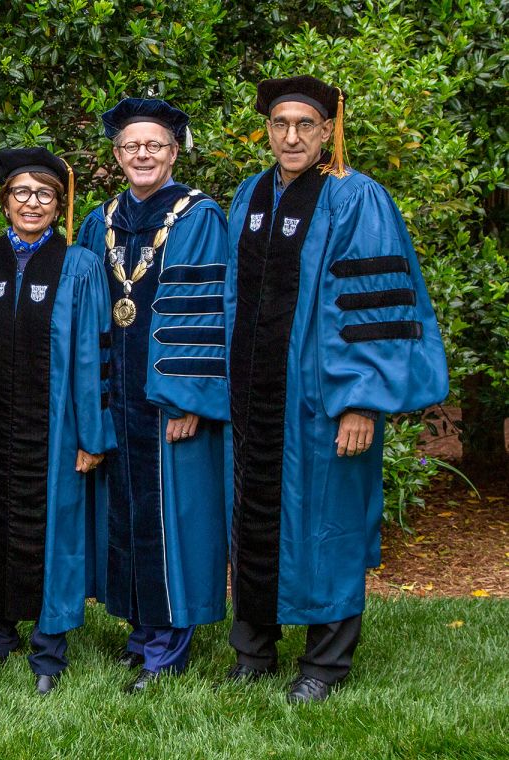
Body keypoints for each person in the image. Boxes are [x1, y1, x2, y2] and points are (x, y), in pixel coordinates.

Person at [223, 75, 448, 703]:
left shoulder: (358, 199)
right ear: (266, 130)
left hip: (325, 405)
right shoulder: (250, 196)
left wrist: (362, 401)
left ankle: (324, 664)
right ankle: (254, 652)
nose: (291, 136)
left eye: (305, 125)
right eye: (279, 124)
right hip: (253, 402)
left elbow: (373, 305)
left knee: (329, 522)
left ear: (328, 131)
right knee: (253, 521)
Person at [0, 147, 114, 695]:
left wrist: (92, 434)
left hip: (56, 429)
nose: (33, 203)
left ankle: (48, 645)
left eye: (45, 194)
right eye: (21, 193)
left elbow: (93, 354)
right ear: (4, 201)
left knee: (55, 529)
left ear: (59, 203)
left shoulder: (81, 266)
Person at [77, 98, 230, 693]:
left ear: (174, 151)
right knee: (130, 508)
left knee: (175, 514)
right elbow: (88, 312)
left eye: (155, 146)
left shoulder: (197, 216)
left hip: (169, 399)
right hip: (119, 396)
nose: (143, 155)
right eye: (131, 146)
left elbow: (204, 312)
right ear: (117, 155)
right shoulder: (101, 219)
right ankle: (141, 631)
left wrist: (188, 396)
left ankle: (168, 645)